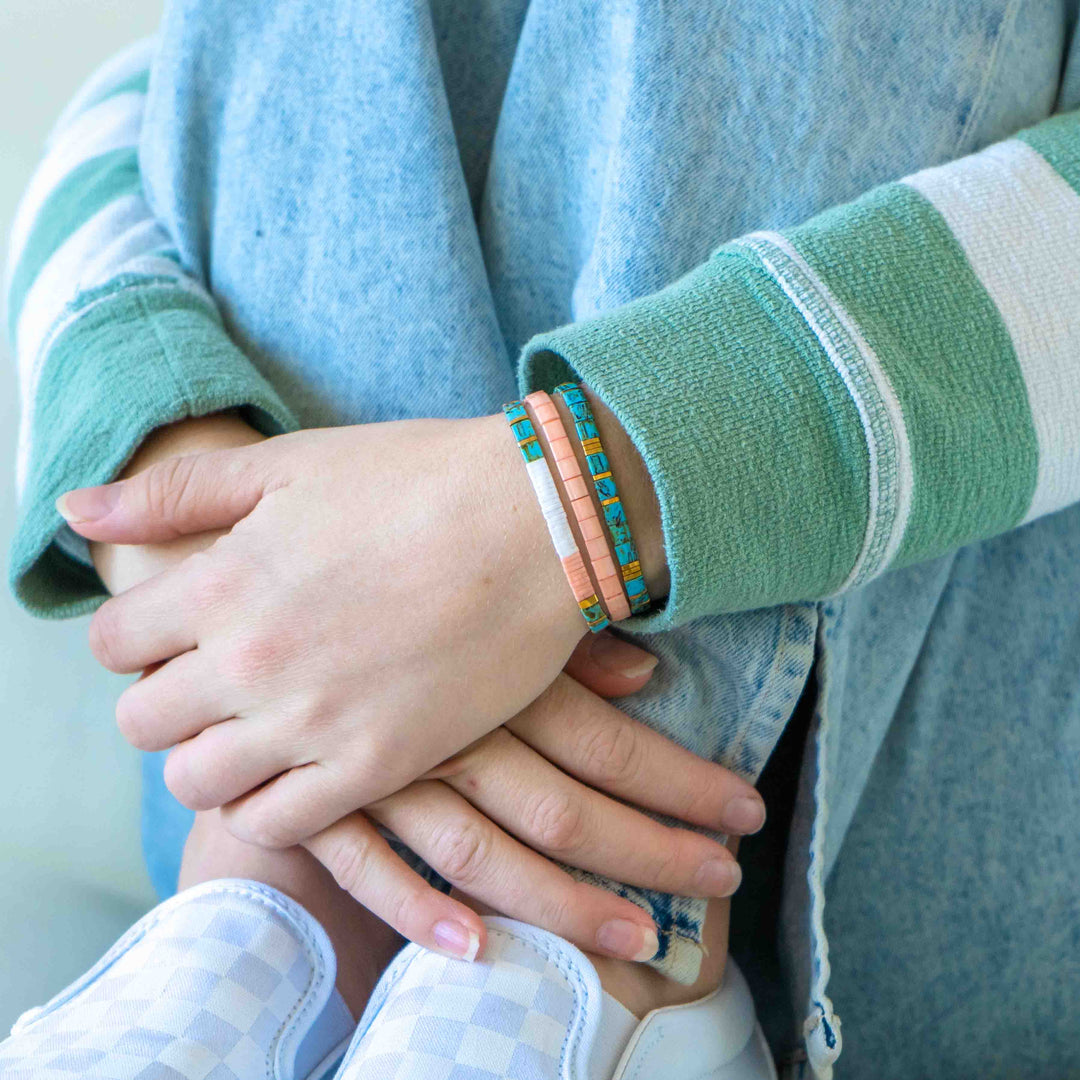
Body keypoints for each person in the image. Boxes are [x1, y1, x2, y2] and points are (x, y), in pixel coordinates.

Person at [3, 2, 1079, 1078]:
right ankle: (298, 903)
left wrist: (571, 498)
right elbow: (159, 85)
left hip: (885, 844)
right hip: (255, 813)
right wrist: (201, 506)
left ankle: (585, 938)